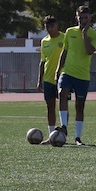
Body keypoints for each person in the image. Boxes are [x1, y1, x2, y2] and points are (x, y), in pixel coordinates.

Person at [57, 5, 96, 146]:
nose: (82, 20)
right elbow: (64, 52)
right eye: (80, 17)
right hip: (68, 72)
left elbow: (89, 51)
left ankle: (77, 137)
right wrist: (58, 70)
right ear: (76, 17)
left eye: (85, 18)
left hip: (82, 76)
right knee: (62, 93)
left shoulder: (95, 35)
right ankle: (64, 126)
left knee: (79, 106)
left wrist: (84, 35)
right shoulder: (69, 32)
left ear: (90, 18)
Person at [36, 15, 64, 143]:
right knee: (50, 106)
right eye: (46, 26)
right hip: (48, 78)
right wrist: (39, 79)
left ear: (57, 25)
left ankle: (64, 132)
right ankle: (51, 135)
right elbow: (42, 62)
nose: (49, 28)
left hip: (63, 78)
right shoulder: (44, 41)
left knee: (63, 106)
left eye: (51, 26)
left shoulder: (64, 38)